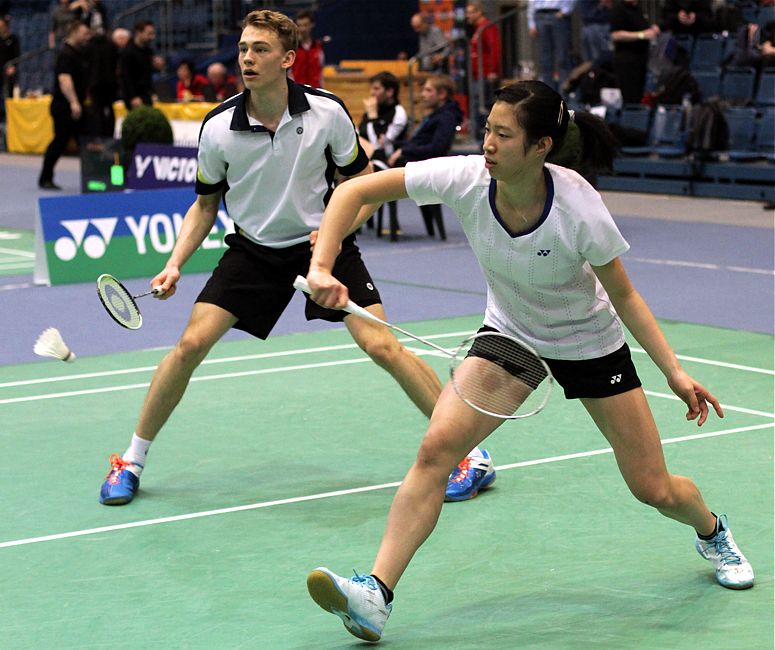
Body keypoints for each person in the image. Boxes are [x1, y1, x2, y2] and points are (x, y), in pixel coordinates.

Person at [302, 79, 755, 642]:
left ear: (540, 146)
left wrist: (674, 371)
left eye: (502, 134)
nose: (486, 143)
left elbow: (625, 295)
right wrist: (322, 267)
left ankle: (711, 530)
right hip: (512, 333)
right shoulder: (466, 177)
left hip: (590, 343)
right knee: (437, 449)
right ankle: (376, 594)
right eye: (487, 129)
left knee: (653, 488)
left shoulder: (578, 206)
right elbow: (354, 193)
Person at [98, 9, 481, 507]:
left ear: (288, 59)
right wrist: (174, 262)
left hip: (321, 246)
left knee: (383, 347)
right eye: (242, 49)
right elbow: (205, 204)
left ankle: (471, 456)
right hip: (254, 251)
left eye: (259, 49)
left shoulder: (326, 112)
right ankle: (130, 460)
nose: (247, 58)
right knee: (190, 344)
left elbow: (362, 187)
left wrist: (338, 232)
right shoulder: (217, 127)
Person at [387, 74, 463, 240]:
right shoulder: (435, 115)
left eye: (428, 90)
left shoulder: (446, 117)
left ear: (442, 94)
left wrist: (404, 151)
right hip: (416, 159)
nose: (423, 94)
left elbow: (437, 148)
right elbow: (418, 141)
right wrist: (397, 144)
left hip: (428, 165)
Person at [38, 21, 91, 190]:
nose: (87, 36)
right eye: (84, 33)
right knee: (60, 142)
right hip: (64, 106)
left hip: (77, 104)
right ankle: (45, 177)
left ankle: (93, 178)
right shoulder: (66, 54)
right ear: (73, 32)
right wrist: (74, 102)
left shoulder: (79, 53)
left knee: (86, 141)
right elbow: (64, 80)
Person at [610, 0, 660, 104]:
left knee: (638, 95)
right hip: (626, 59)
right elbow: (615, 35)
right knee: (630, 96)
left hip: (641, 57)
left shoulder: (637, 8)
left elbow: (641, 27)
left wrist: (652, 30)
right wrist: (641, 35)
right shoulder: (619, 9)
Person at [465, 1, 501, 140]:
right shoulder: (477, 29)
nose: (467, 16)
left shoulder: (487, 27)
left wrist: (493, 70)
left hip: (486, 75)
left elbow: (494, 48)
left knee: (484, 107)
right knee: (476, 106)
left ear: (478, 12)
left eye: (470, 12)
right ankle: (478, 138)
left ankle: (483, 139)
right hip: (477, 75)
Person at [358, 71, 407, 169]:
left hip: (385, 163)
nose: (372, 93)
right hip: (367, 158)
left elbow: (378, 144)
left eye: (376, 89)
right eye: (371, 88)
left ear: (389, 92)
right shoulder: (374, 109)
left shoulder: (398, 113)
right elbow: (360, 133)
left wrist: (373, 117)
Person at [528, 0, 577, 91]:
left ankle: (564, 94)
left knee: (562, 58)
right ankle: (549, 95)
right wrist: (531, 23)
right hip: (540, 14)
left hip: (558, 14)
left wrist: (566, 10)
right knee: (545, 60)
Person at [119, 20, 155, 109]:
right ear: (139, 33)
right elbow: (126, 77)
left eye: (153, 34)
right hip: (134, 97)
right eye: (149, 34)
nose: (152, 37)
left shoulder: (148, 51)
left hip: (146, 95)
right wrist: (133, 97)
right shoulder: (128, 52)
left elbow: (147, 75)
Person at [290, 9, 324, 88]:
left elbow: (320, 72)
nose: (303, 29)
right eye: (299, 25)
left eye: (305, 25)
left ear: (312, 25)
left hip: (315, 91)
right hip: (297, 90)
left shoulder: (318, 47)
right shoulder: (291, 48)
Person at [0, 15, 20, 120]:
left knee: (9, 94)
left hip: (9, 71)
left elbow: (17, 55)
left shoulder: (13, 38)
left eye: (2, 25)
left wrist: (13, 66)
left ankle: (11, 117)